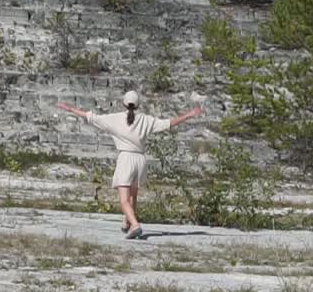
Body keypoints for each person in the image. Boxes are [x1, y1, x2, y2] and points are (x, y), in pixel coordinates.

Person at [56, 91, 205, 239]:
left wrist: (69, 108)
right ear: (138, 105)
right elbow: (169, 123)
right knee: (133, 197)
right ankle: (127, 223)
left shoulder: (114, 119)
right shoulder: (146, 120)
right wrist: (190, 114)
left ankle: (135, 224)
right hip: (140, 159)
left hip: (126, 158)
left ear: (124, 104)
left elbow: (90, 116)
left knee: (123, 200)